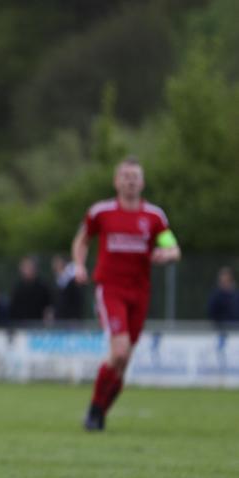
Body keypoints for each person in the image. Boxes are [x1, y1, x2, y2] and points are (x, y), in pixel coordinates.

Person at [72, 156, 181, 431]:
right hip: (111, 289)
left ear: (142, 182)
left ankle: (98, 412)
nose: (131, 181)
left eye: (135, 177)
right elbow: (82, 239)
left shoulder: (154, 217)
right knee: (118, 352)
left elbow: (172, 247)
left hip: (140, 293)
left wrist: (165, 254)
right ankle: (94, 413)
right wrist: (79, 265)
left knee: (123, 362)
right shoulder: (102, 212)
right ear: (117, 181)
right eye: (126, 176)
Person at [8, 256, 52, 325]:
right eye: (25, 268)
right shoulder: (17, 288)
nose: (28, 270)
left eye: (30, 268)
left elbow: (48, 307)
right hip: (21, 325)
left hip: (39, 325)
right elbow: (13, 309)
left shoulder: (43, 287)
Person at [51, 254, 84, 322]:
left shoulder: (72, 280)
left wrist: (75, 316)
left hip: (71, 318)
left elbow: (77, 300)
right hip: (59, 318)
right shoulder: (56, 281)